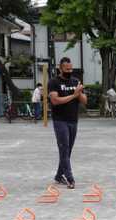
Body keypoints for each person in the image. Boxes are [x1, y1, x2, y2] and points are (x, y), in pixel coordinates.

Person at [48, 57, 87, 189]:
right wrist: (73, 95)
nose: (69, 71)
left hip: (73, 120)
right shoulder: (54, 82)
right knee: (64, 148)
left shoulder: (75, 81)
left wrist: (79, 93)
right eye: (66, 69)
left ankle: (59, 176)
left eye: (71, 69)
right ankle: (70, 178)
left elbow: (84, 101)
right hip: (60, 120)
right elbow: (55, 100)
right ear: (60, 68)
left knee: (68, 150)